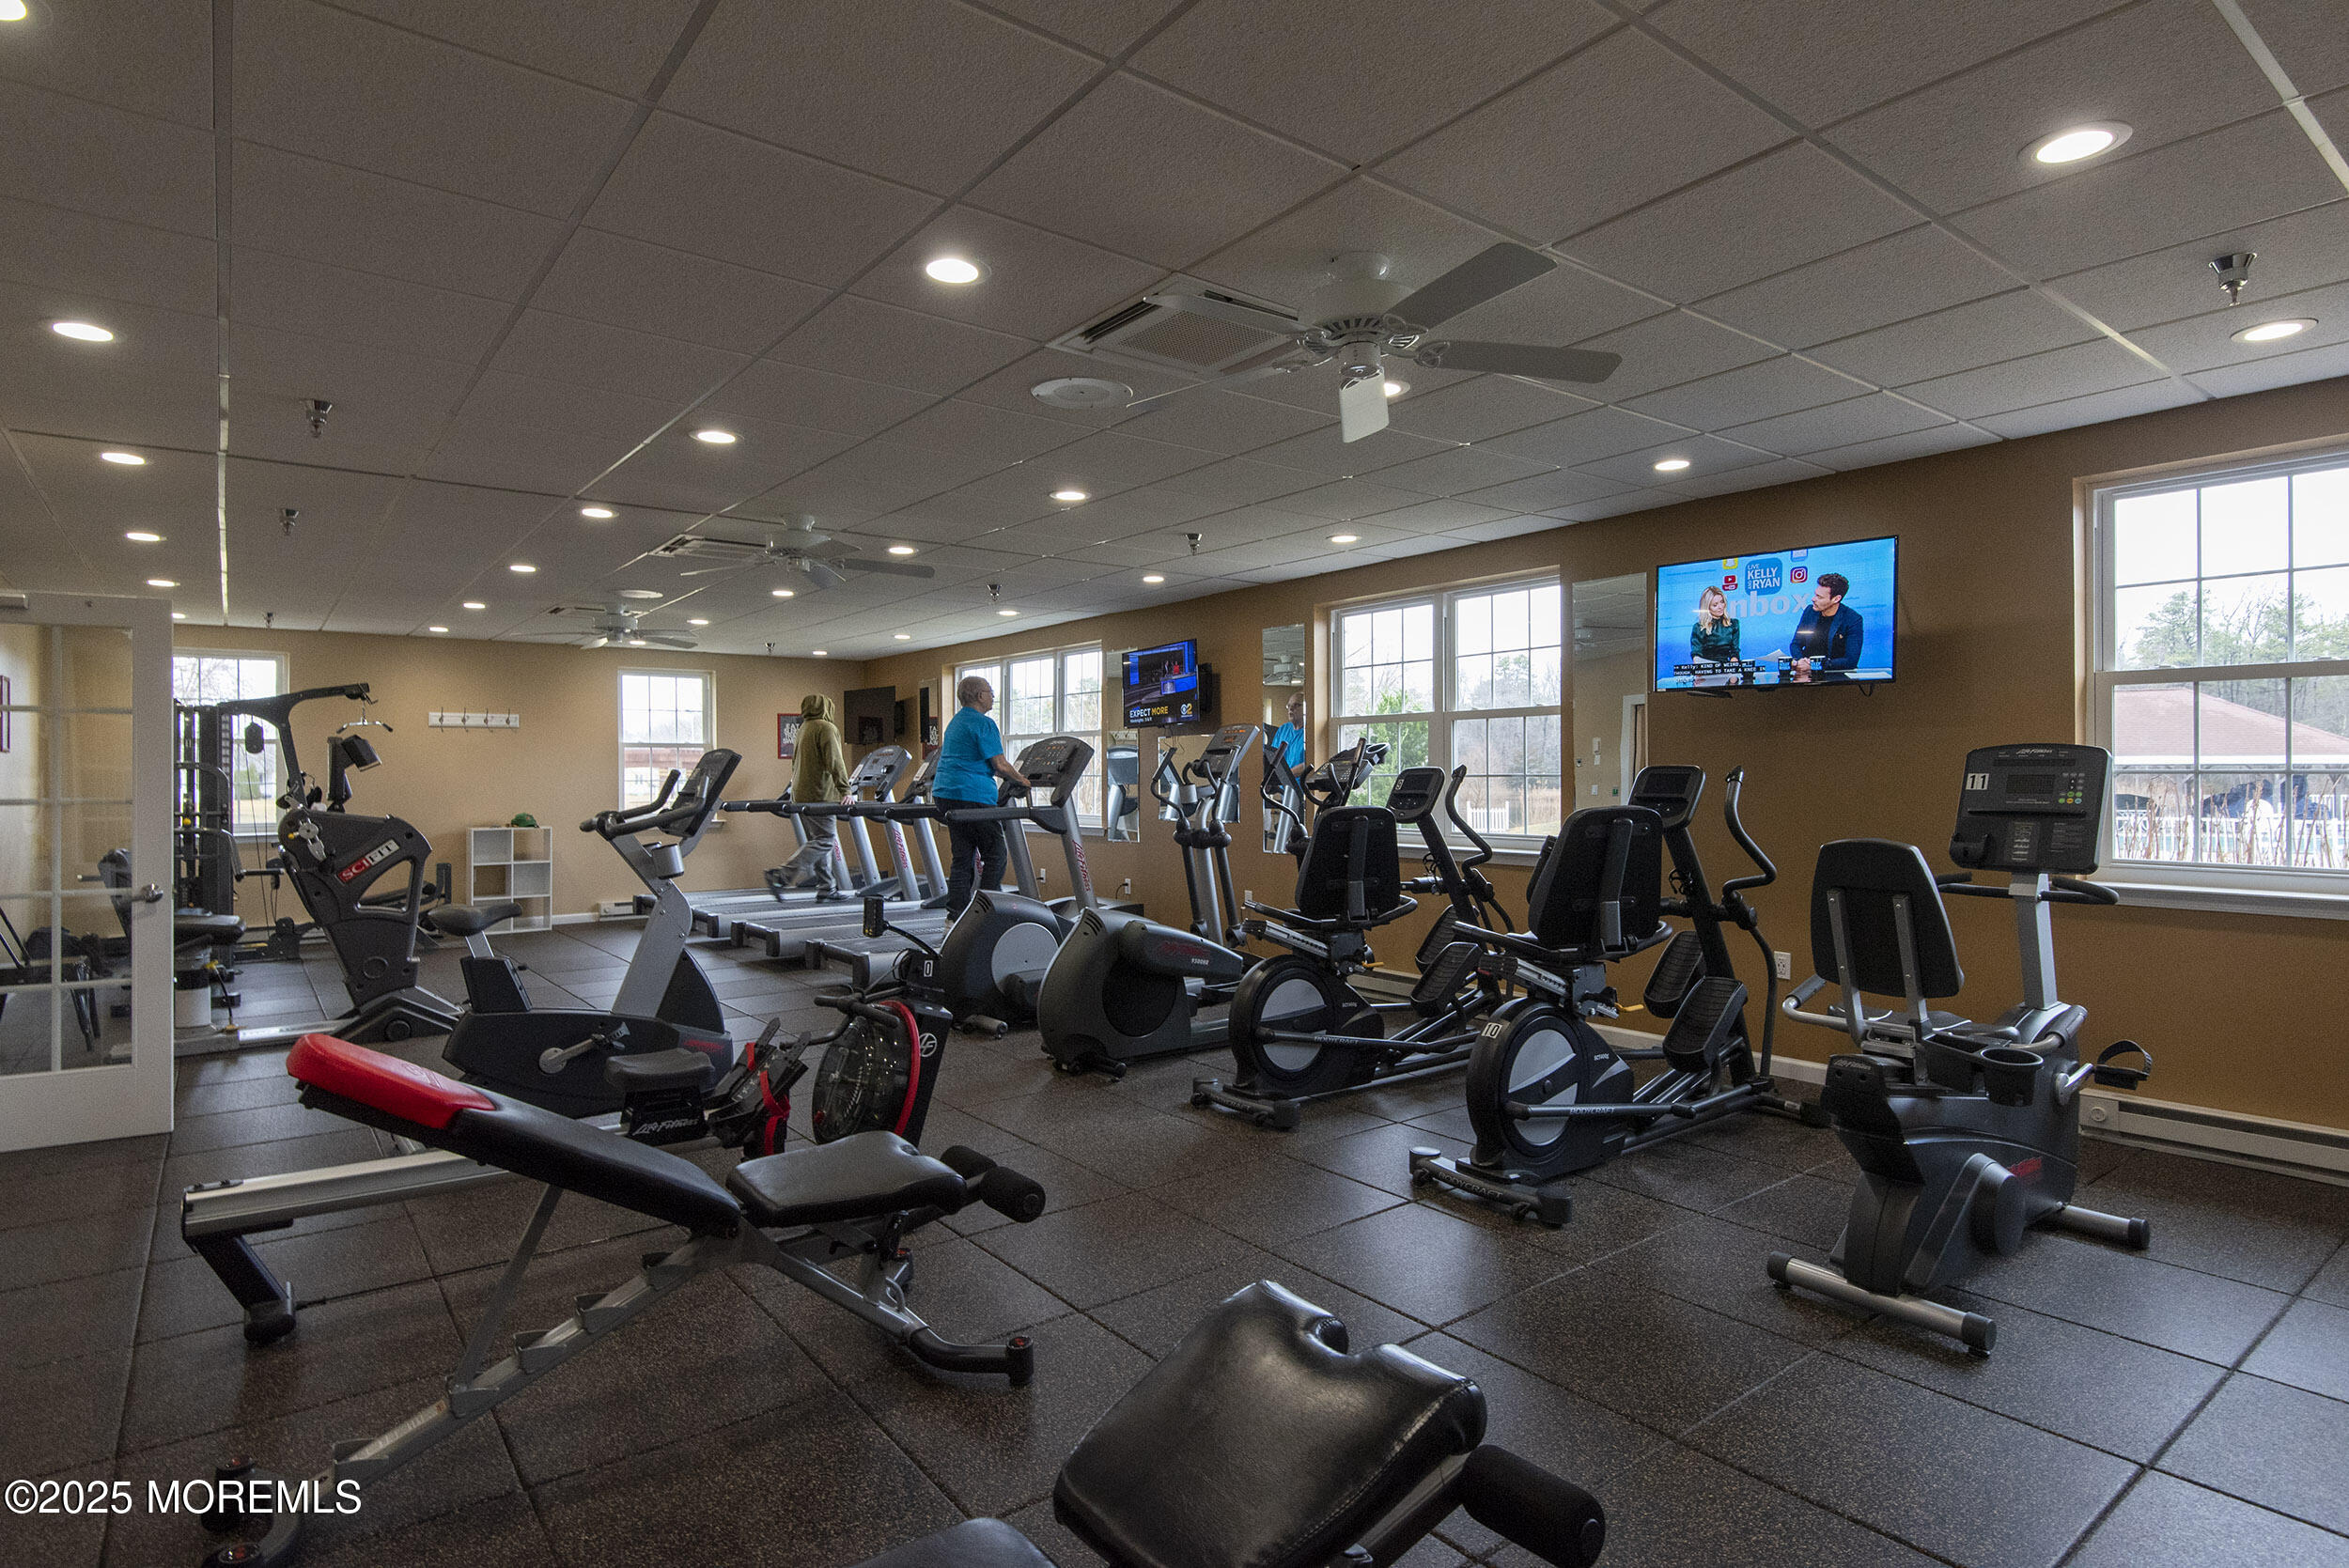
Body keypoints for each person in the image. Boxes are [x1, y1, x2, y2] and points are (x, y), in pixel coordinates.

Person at [934, 675, 1032, 918]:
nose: (993, 697)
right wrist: (1022, 780)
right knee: (996, 853)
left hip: (946, 795)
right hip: (972, 796)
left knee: (963, 856)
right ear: (979, 696)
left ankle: (955, 914)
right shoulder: (983, 723)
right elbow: (1000, 765)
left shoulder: (956, 722)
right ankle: (987, 913)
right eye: (990, 692)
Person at [773, 693, 851, 900]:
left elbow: (794, 763)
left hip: (800, 794)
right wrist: (846, 790)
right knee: (825, 840)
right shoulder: (826, 728)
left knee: (816, 841)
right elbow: (835, 762)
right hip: (819, 794)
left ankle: (827, 887)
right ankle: (781, 874)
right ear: (827, 708)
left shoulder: (803, 729)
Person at [1766, 571, 1863, 682]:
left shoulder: (1852, 619)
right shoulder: (1809, 611)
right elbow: (1796, 644)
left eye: (1819, 597)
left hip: (1835, 678)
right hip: (1805, 677)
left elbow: (1851, 661)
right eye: (1815, 594)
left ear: (1836, 599)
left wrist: (1815, 665)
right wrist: (1800, 661)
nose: (1813, 599)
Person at [1688, 585, 1740, 664]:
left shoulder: (1733, 624)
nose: (1720, 607)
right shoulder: (1699, 627)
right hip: (1706, 667)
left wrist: (1732, 666)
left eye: (1722, 602)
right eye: (1715, 605)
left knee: (1733, 677)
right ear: (1707, 607)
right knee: (1700, 677)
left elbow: (1735, 652)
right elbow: (1696, 653)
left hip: (1727, 668)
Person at [1268, 694, 1309, 771]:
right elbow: (1273, 757)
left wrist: (1288, 776)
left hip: (1299, 782)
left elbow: (1312, 763)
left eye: (1296, 705)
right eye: (1289, 706)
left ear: (1307, 708)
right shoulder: (1283, 729)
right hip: (1281, 781)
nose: (1291, 708)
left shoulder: (1310, 731)